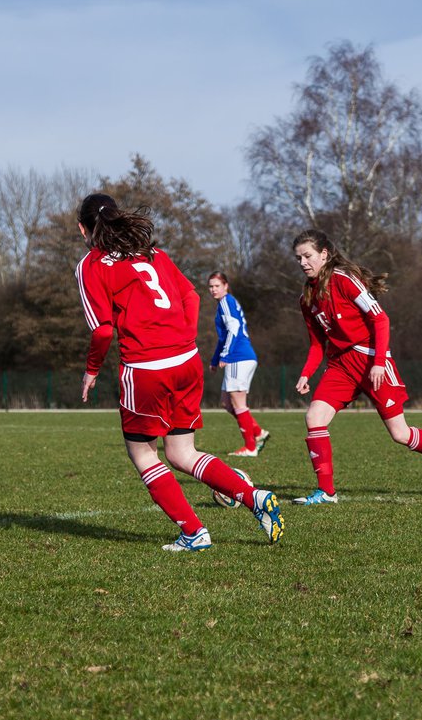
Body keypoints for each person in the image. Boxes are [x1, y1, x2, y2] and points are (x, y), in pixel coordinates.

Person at [75, 193, 283, 552]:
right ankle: (255, 497)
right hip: (187, 360)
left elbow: (103, 330)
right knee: (182, 452)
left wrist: (91, 370)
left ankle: (194, 532)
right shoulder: (153, 254)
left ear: (83, 229)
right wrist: (181, 339)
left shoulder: (91, 265)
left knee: (143, 454)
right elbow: (192, 297)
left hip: (146, 367)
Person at [290, 228, 422, 505]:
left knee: (400, 434)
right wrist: (306, 374)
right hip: (341, 366)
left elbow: (381, 319)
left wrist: (378, 363)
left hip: (370, 359)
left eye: (307, 256)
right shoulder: (307, 298)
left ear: (324, 254)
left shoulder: (345, 280)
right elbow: (317, 345)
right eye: (298, 258)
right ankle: (327, 493)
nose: (303, 263)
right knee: (314, 418)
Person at [207, 272, 270, 457]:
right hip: (239, 357)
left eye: (217, 286)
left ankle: (250, 447)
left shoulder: (226, 301)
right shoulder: (224, 304)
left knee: (238, 402)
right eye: (210, 286)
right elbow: (223, 337)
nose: (213, 290)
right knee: (227, 403)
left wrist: (226, 354)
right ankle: (258, 433)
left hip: (239, 357)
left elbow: (233, 328)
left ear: (226, 286)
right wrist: (214, 359)